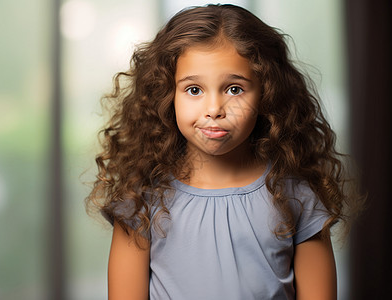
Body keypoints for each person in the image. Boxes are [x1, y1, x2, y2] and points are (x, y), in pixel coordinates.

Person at [86, 4, 362, 300]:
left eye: (234, 89)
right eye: (194, 90)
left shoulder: (295, 196)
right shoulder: (141, 201)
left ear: (267, 93)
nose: (214, 109)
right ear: (167, 96)